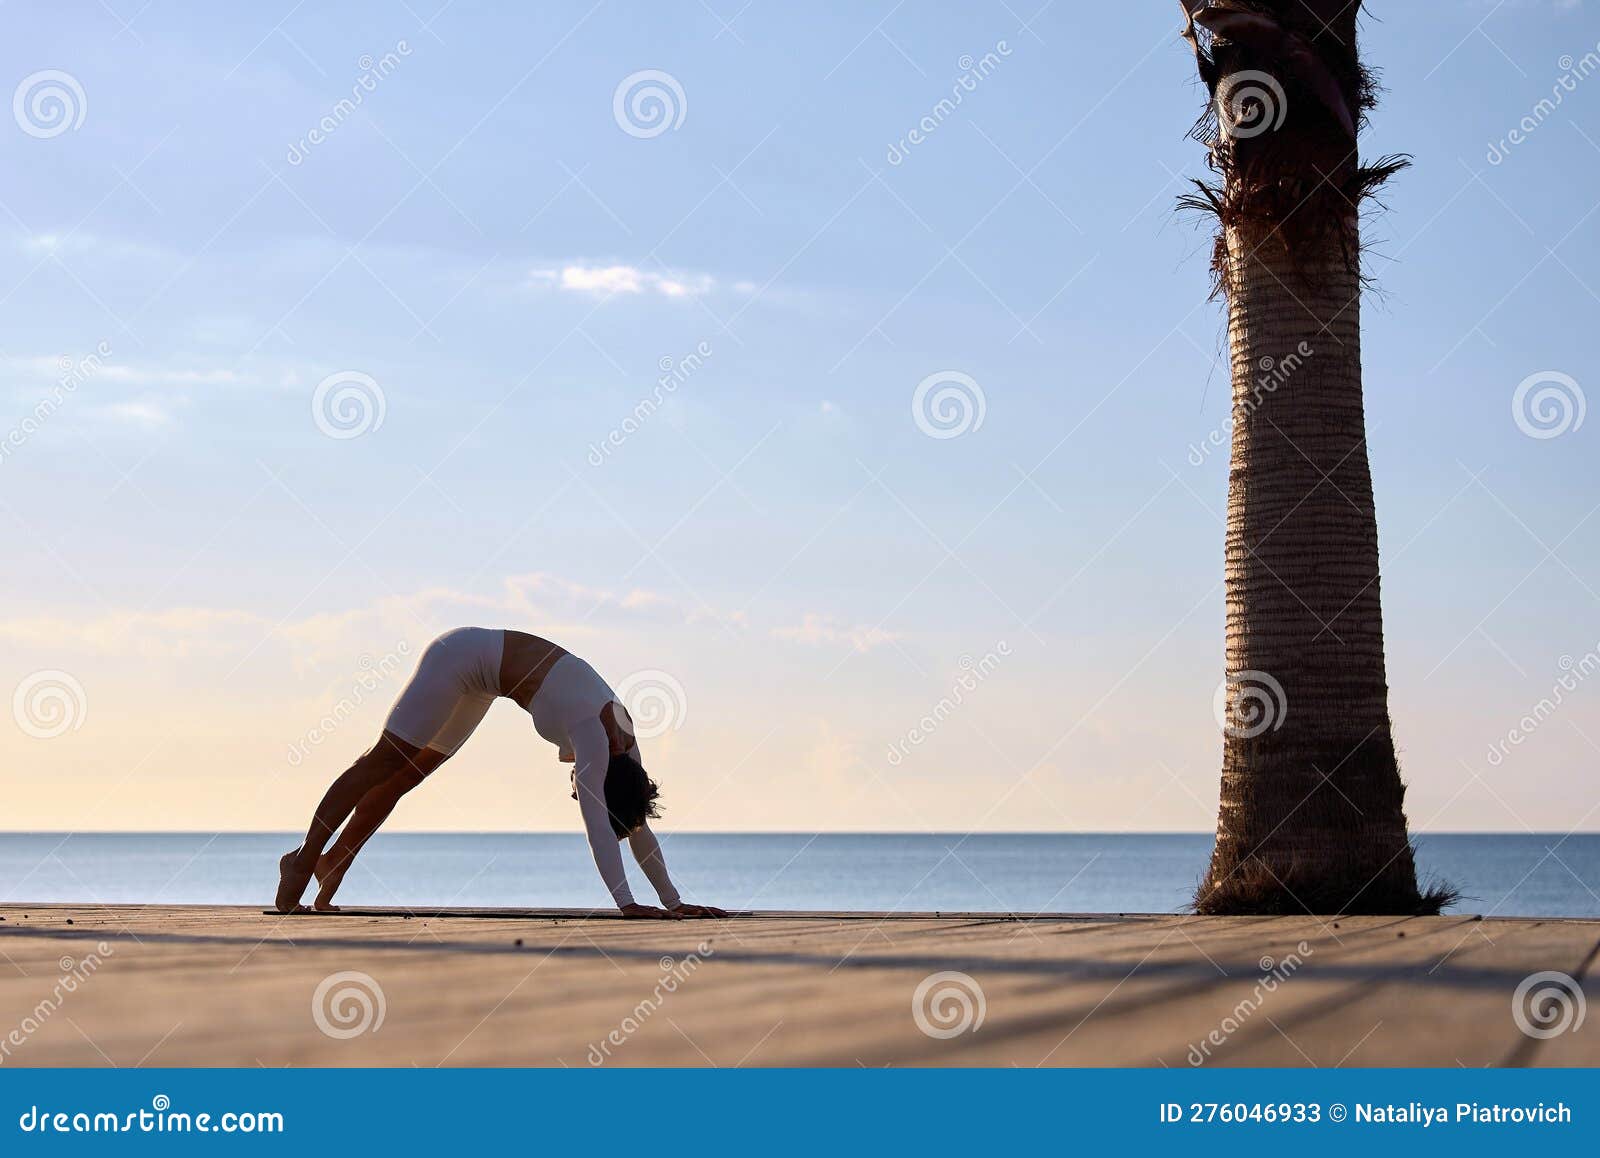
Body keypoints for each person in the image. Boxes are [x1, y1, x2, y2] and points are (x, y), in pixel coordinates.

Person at [274, 627, 727, 919]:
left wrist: (673, 901)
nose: (575, 785)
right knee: (386, 760)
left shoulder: (625, 746)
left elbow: (633, 823)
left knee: (406, 777)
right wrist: (627, 904)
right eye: (582, 784)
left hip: (484, 684)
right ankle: (302, 858)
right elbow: (598, 828)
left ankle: (334, 862)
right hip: (461, 655)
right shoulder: (593, 735)